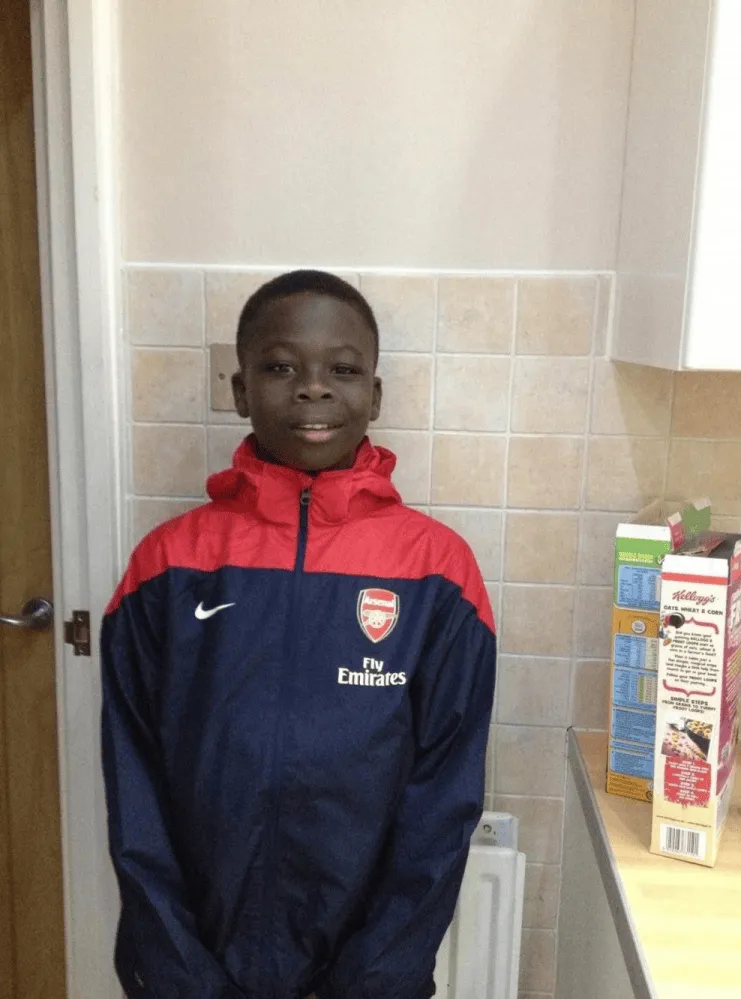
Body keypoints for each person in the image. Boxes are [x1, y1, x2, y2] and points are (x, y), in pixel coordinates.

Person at [101, 270, 496, 999]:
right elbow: (134, 787)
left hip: (367, 973)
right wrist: (181, 972)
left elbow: (443, 800)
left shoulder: (439, 571)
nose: (313, 389)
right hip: (193, 966)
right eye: (281, 368)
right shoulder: (168, 564)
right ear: (240, 389)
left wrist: (377, 975)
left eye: (342, 370)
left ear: (375, 394)